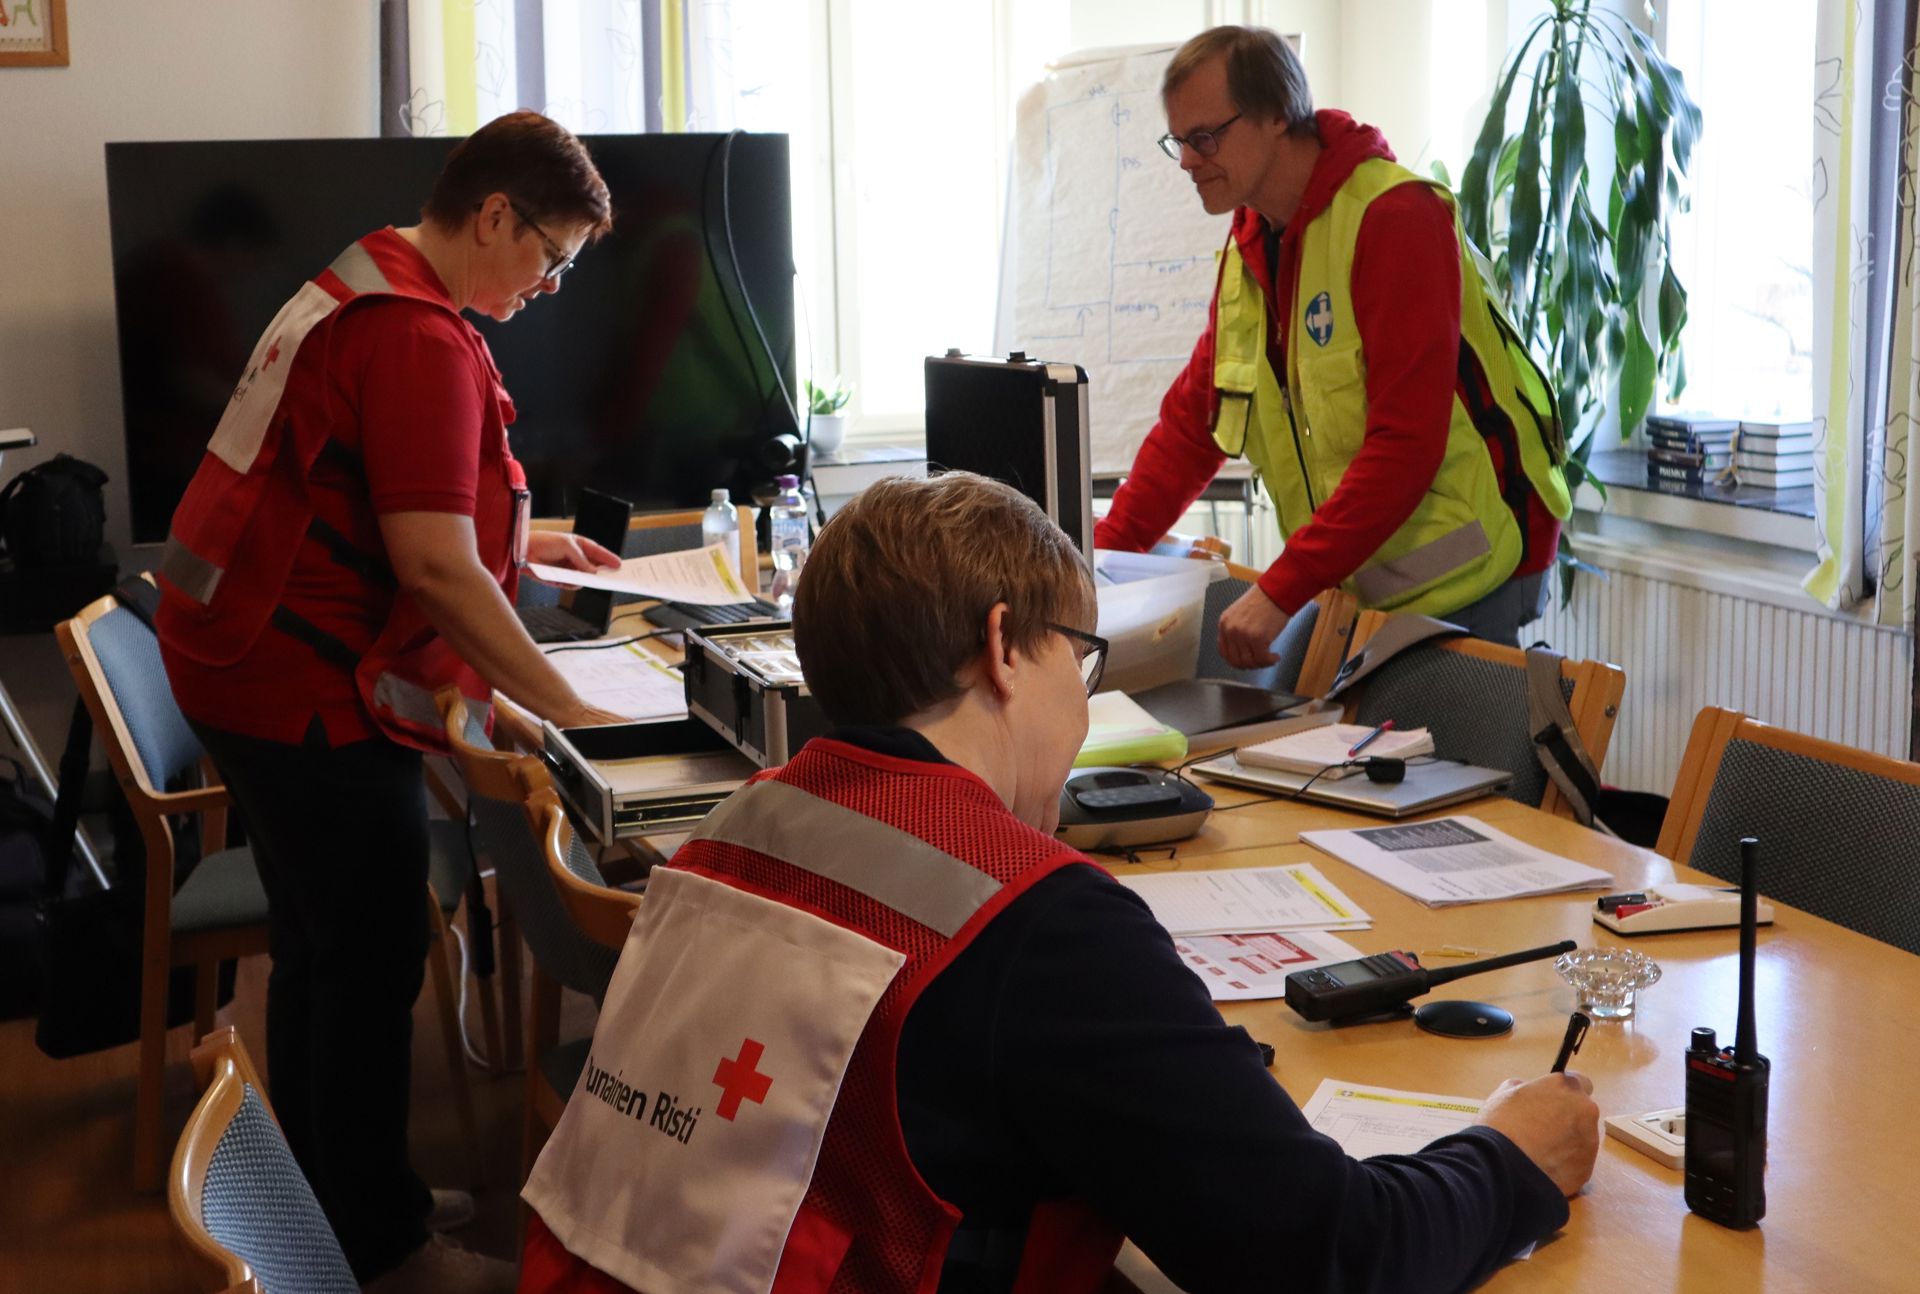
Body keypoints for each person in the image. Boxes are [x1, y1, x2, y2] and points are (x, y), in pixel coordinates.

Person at [515, 472, 1601, 1294]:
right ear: (1003, 648)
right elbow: (1327, 1256)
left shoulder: (728, 836)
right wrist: (1511, 1159)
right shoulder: (1040, 925)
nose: (1082, 710)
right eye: (1079, 660)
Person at [157, 111, 630, 1293]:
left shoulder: (369, 272)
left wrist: (542, 537)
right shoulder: (416, 335)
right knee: (365, 957)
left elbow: (366, 486)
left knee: (320, 946)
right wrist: (571, 707)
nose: (550, 285)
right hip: (295, 687)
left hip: (230, 660)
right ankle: (383, 1248)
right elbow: (430, 566)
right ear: (494, 217)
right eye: (551, 257)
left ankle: (337, 1193)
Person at [1094, 26, 1574, 660]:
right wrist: (1092, 565)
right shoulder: (1252, 239)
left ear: (1274, 115)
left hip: (1465, 572)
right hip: (1362, 580)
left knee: (1435, 759)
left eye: (1204, 137)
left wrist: (1281, 590)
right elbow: (1193, 425)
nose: (1187, 160)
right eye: (1178, 141)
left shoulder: (1395, 216)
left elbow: (1406, 445)